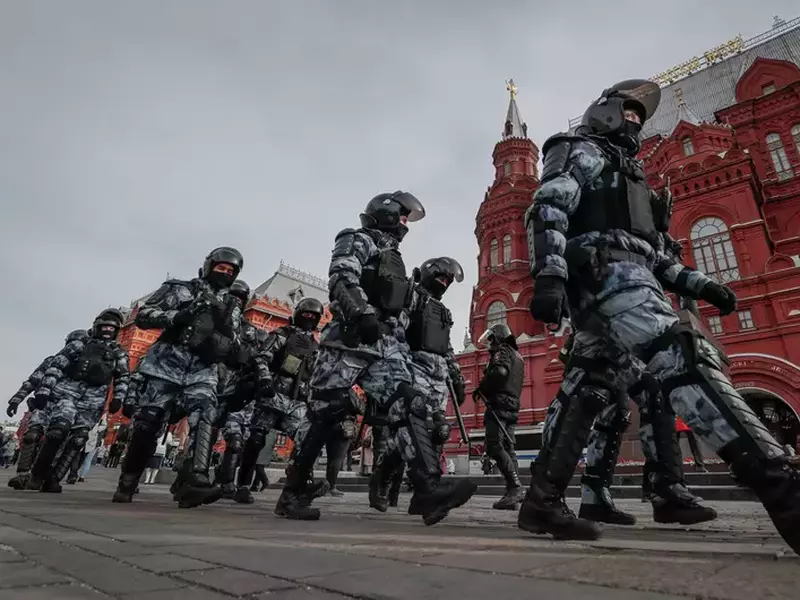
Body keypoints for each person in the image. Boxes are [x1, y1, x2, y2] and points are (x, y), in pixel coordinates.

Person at [520, 78, 800, 555]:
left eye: (640, 116)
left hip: (626, 277)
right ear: (604, 113)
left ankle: (545, 500)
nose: (635, 120)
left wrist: (700, 283)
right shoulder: (578, 149)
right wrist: (547, 274)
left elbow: (656, 254)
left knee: (593, 388)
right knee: (682, 355)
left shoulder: (632, 176)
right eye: (628, 111)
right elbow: (549, 208)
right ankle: (781, 487)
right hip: (608, 276)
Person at [278, 191, 476, 524]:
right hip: (350, 342)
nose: (405, 224)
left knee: (409, 404)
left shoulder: (396, 261)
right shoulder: (357, 239)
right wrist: (361, 312)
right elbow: (342, 276)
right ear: (384, 213)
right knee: (326, 412)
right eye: (401, 217)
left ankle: (428, 490)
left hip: (387, 351)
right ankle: (293, 492)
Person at [112, 246, 245, 508]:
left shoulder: (232, 305)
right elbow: (144, 316)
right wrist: (179, 317)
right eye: (221, 268)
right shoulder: (179, 289)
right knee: (148, 423)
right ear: (209, 266)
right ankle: (128, 480)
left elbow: (236, 340)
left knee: (206, 414)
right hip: (166, 364)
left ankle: (195, 481)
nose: (225, 273)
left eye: (231, 271)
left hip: (202, 370)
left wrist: (230, 347)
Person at [370, 256, 468, 514]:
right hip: (414, 368)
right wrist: (400, 372)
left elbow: (446, 347)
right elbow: (395, 334)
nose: (445, 282)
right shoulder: (413, 297)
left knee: (438, 432)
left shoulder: (443, 311)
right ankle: (394, 482)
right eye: (442, 276)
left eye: (449, 279)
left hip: (438, 376)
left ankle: (412, 492)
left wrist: (457, 376)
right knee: (414, 428)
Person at [234, 297, 324, 506]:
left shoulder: (316, 347)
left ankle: (299, 484)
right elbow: (262, 357)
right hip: (273, 395)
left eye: (314, 316)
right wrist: (265, 379)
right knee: (256, 439)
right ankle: (243, 485)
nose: (309, 318)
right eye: (306, 314)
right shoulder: (282, 335)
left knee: (306, 441)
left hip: (298, 401)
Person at [27, 309, 129, 492]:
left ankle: (54, 478)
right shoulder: (79, 344)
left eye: (111, 328)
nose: (107, 330)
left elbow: (123, 377)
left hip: (94, 400)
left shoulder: (118, 353)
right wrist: (44, 390)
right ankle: (37, 474)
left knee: (79, 439)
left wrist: (119, 398)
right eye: (104, 326)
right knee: (57, 431)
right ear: (97, 326)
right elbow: (57, 366)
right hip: (67, 392)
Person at [474, 323, 525, 510]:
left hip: (499, 404)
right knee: (508, 448)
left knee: (494, 446)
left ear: (498, 337)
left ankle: (515, 487)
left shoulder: (503, 350)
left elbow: (500, 372)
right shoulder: (518, 355)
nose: (490, 344)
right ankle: (512, 495)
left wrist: (482, 387)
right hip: (513, 405)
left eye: (491, 339)